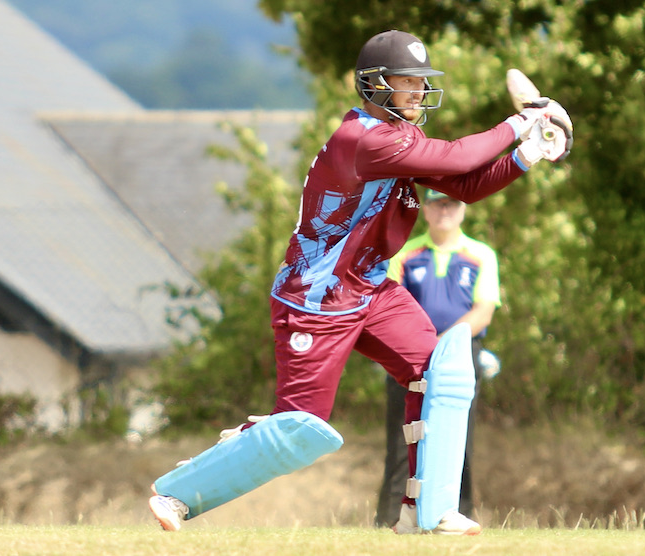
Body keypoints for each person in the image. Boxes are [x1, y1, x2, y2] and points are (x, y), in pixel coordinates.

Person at [146, 29, 572, 536]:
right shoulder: (365, 139)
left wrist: (529, 153)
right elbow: (459, 157)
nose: (418, 91)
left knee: (435, 371)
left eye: (422, 81)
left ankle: (425, 511)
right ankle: (178, 493)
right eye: (407, 81)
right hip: (315, 300)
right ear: (375, 85)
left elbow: (466, 185)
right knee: (298, 430)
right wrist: (523, 120)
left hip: (371, 289)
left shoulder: (401, 137)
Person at [375, 188, 499, 527]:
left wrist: (444, 344)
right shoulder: (405, 253)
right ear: (425, 209)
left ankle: (454, 517)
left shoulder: (481, 254)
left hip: (460, 355)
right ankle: (391, 521)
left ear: (461, 210)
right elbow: (390, 306)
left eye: (452, 203)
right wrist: (422, 344)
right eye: (437, 203)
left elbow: (483, 311)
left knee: (459, 443)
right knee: (403, 441)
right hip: (410, 356)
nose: (444, 210)